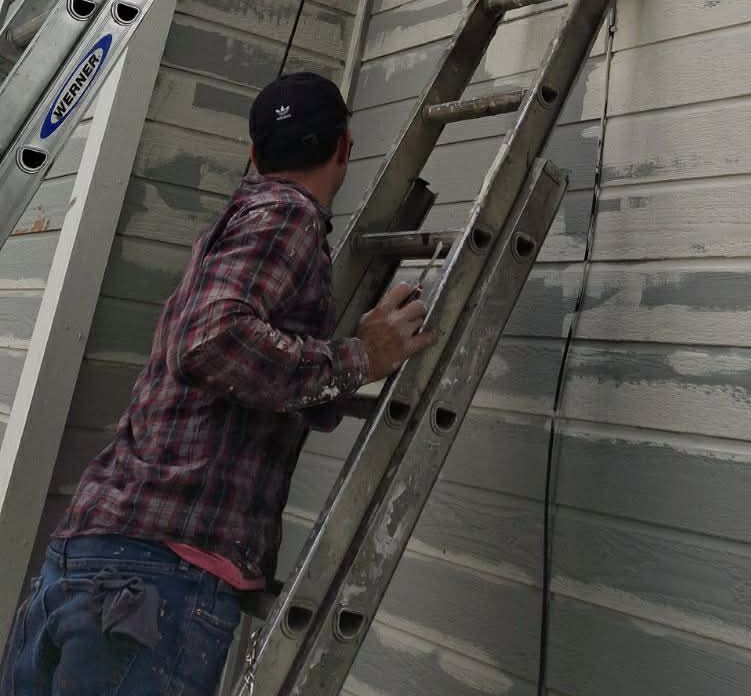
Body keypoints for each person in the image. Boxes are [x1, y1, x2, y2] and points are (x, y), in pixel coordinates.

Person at [0, 71, 433, 696]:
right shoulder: (289, 216)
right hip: (155, 580)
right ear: (344, 148)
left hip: (94, 559)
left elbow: (229, 369)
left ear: (254, 154)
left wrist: (330, 370)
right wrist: (359, 358)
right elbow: (212, 341)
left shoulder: (233, 226)